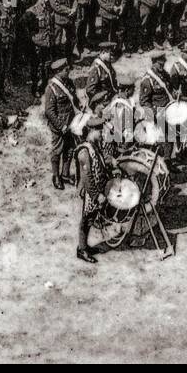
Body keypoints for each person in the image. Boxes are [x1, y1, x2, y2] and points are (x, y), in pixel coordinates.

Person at [73, 110, 108, 264]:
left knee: (91, 218)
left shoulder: (94, 147)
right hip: (89, 192)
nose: (101, 134)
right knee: (86, 220)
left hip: (94, 191)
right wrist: (96, 195)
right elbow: (87, 178)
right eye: (99, 131)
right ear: (91, 131)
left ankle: (85, 246)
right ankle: (82, 249)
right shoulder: (84, 151)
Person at [42, 59, 80, 188]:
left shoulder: (69, 83)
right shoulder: (51, 88)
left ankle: (65, 174)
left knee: (69, 149)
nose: (68, 70)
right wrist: (60, 125)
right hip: (59, 126)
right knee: (57, 150)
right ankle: (56, 176)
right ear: (58, 72)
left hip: (71, 123)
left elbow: (74, 100)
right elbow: (49, 111)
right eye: (65, 69)